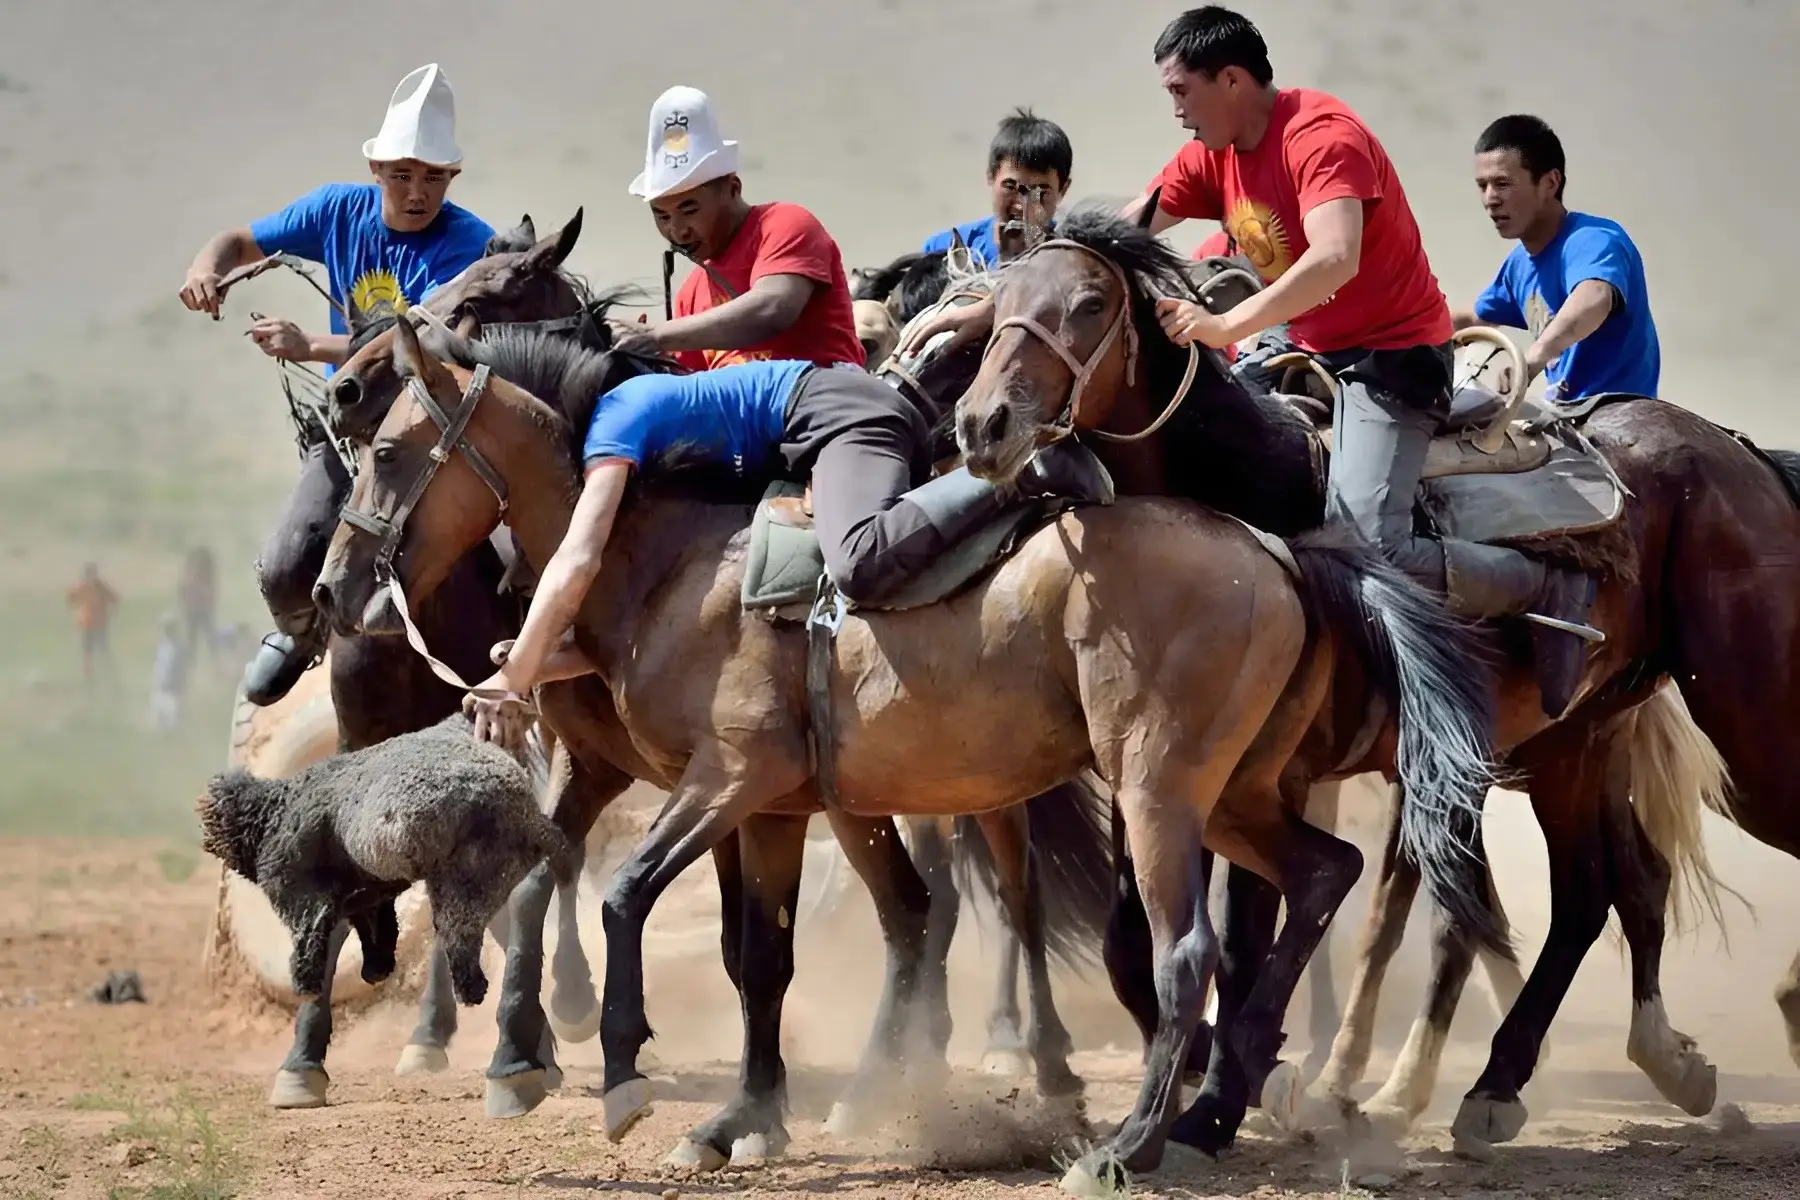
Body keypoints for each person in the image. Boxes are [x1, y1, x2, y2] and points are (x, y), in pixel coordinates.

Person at [903, 6, 1598, 718]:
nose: (1174, 110)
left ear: (1230, 79)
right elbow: (1110, 246)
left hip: (1390, 362)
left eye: (1181, 91)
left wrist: (1224, 323)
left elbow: (1335, 257)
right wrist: (991, 311)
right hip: (1301, 347)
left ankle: (1535, 584)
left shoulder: (1322, 137)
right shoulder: (1214, 152)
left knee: (1367, 543)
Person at [461, 357, 1114, 715]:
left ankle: (1027, 468)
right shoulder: (630, 424)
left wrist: (515, 675)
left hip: (837, 416)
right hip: (833, 427)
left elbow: (578, 558)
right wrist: (537, 662)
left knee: (858, 561)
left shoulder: (614, 420)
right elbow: (625, 633)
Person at [179, 64, 496, 707]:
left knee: (520, 558)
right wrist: (206, 266)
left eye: (432, 177)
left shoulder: (471, 246)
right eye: (402, 175)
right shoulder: (336, 210)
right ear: (376, 170)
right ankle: (302, 635)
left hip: (434, 434)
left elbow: (419, 340)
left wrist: (309, 347)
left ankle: (543, 668)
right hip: (349, 430)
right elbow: (242, 240)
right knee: (284, 564)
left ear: (451, 178)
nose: (416, 192)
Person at [612, 85, 864, 373]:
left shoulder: (785, 223)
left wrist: (657, 336)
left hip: (819, 395)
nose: (678, 231)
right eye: (662, 216)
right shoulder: (690, 293)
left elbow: (772, 309)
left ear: (732, 189)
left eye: (689, 210)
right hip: (734, 414)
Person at [1453, 114, 1660, 407]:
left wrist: (1532, 360)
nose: (1490, 198)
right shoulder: (1519, 264)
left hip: (1616, 413)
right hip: (1563, 415)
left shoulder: (1594, 239)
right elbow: (1474, 320)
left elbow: (1595, 297)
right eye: (1482, 186)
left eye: (1502, 183)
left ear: (1550, 183)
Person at [919, 108, 1074, 270]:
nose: (1022, 205)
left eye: (1041, 192)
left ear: (1063, 190)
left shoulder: (1077, 261)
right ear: (991, 177)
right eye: (1010, 187)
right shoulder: (943, 252)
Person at [67, 562, 120, 687]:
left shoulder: (100, 587)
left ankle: (109, 676)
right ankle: (89, 680)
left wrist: (111, 613)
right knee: (87, 654)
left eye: (92, 573)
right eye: (88, 573)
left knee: (102, 652)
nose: (90, 576)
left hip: (99, 625)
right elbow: (71, 599)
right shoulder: (80, 586)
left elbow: (115, 598)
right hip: (86, 625)